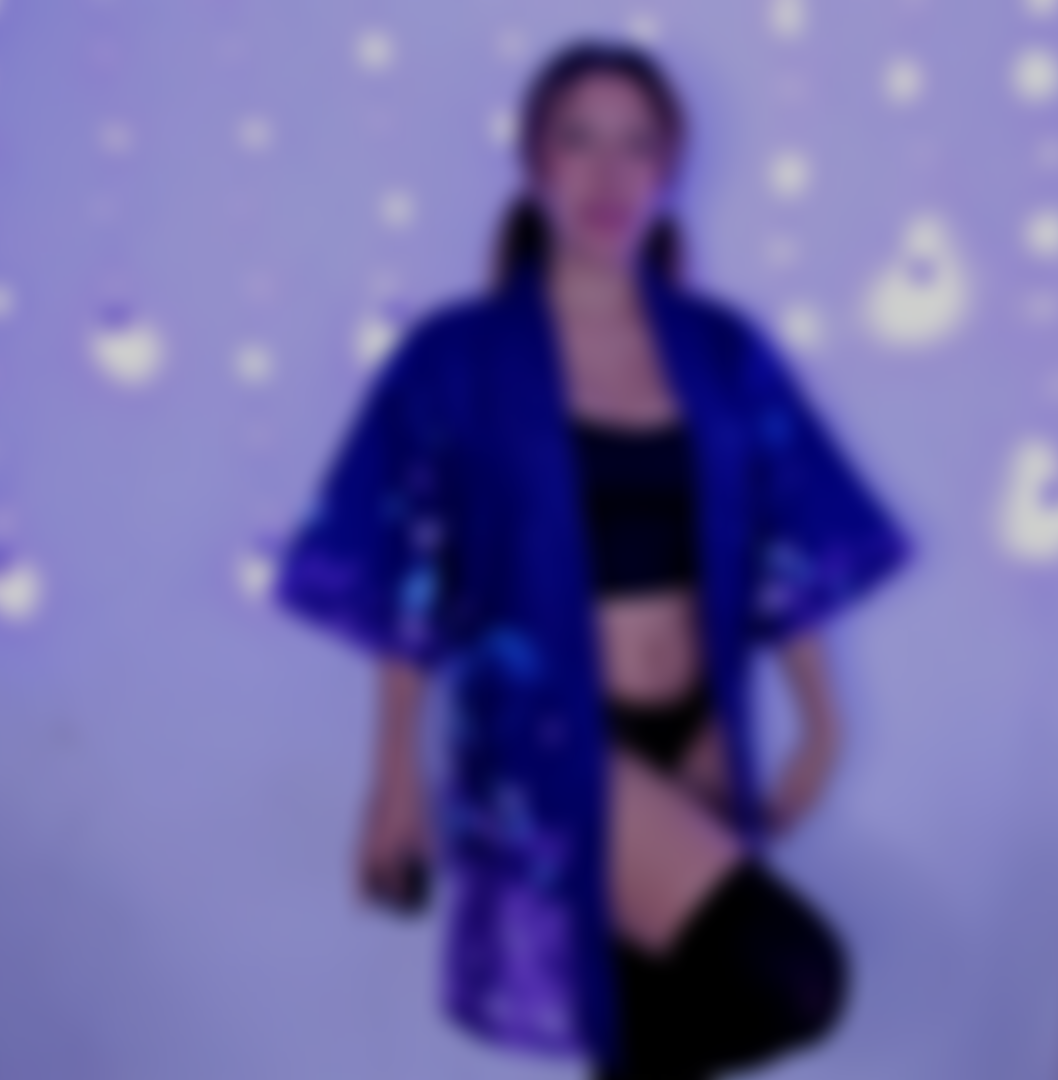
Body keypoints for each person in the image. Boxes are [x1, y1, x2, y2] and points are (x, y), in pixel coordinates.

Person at [274, 37, 913, 1079]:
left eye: (637, 145)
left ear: (669, 168)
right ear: (535, 162)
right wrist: (393, 778)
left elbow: (784, 536)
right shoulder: (458, 356)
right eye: (580, 140)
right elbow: (410, 576)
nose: (609, 175)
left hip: (702, 727)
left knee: (652, 1021)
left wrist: (823, 727)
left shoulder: (721, 347)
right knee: (793, 977)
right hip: (546, 731)